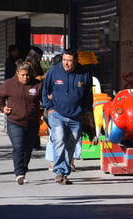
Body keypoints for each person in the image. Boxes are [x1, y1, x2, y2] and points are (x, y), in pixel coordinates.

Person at [42, 49, 93, 185]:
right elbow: (45, 91)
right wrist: (50, 108)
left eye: (69, 61)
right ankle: (58, 171)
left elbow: (88, 95)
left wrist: (85, 111)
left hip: (76, 117)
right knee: (59, 140)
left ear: (76, 61)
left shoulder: (85, 74)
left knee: (70, 146)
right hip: (57, 114)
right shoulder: (54, 71)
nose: (66, 63)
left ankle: (64, 172)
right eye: (65, 60)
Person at [0, 61, 43, 184]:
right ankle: (19, 173)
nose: (25, 77)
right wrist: (2, 108)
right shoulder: (9, 84)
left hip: (32, 122)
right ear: (17, 73)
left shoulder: (37, 85)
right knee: (18, 147)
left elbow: (44, 98)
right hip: (15, 121)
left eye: (27, 75)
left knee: (28, 149)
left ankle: (23, 167)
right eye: (22, 75)